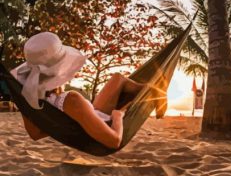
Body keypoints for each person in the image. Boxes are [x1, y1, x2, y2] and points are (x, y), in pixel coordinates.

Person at [11, 32, 145, 149]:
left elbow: (35, 134)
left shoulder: (29, 96)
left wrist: (68, 123)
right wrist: (117, 116)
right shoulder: (72, 100)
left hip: (89, 119)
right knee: (130, 84)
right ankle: (150, 91)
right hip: (105, 126)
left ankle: (146, 90)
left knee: (117, 78)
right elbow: (114, 141)